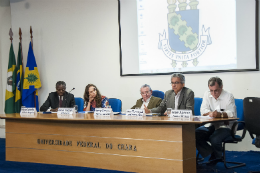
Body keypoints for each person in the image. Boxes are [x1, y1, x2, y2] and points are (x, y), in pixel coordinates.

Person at [196, 77, 237, 165]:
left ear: (221, 87)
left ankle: (217, 156)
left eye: (216, 90)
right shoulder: (207, 94)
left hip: (226, 126)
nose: (213, 93)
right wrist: (210, 113)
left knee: (214, 138)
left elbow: (232, 113)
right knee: (195, 134)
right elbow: (203, 110)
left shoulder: (228, 95)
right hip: (212, 124)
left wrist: (219, 114)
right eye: (211, 90)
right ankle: (213, 153)